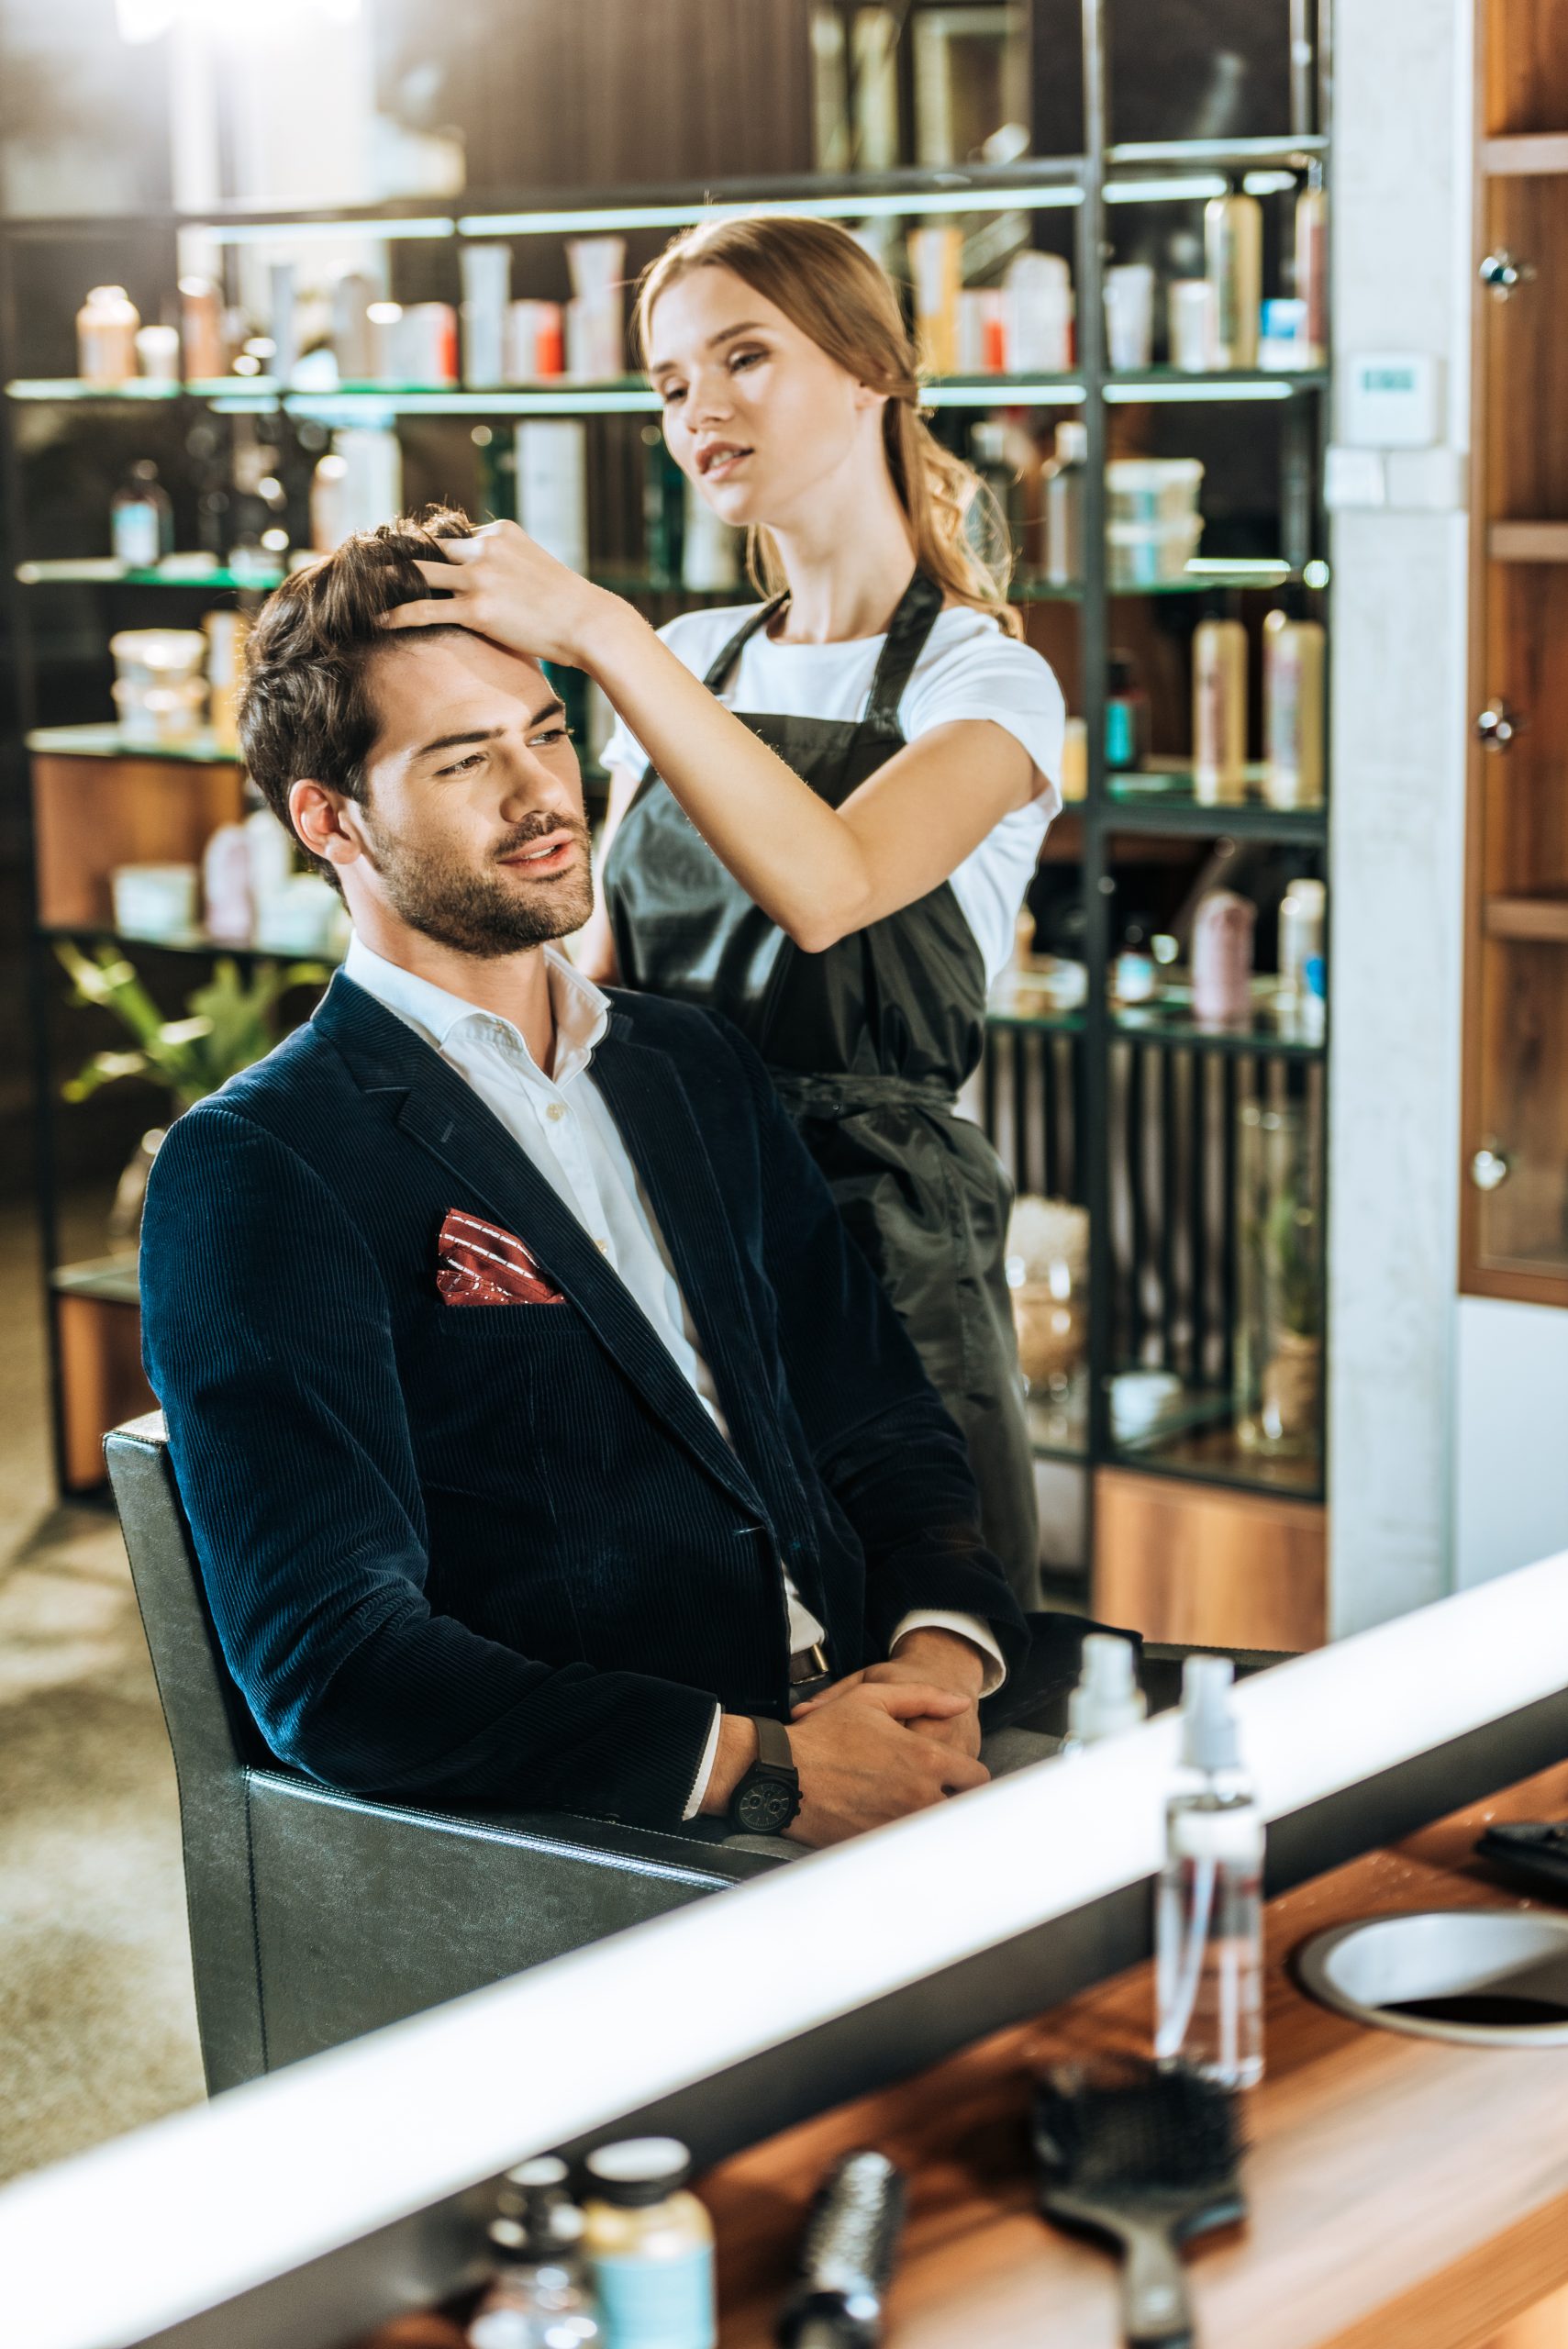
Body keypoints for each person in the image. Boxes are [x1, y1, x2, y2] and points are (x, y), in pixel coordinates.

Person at [139, 511, 1035, 1852]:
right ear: (328, 819)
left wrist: (938, 1657)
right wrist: (772, 1769)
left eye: (546, 734)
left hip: (886, 1725)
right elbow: (336, 1666)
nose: (539, 796)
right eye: (461, 760)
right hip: (631, 1833)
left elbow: (875, 1418)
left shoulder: (689, 1065)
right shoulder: (264, 1164)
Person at [381, 215, 1063, 1611]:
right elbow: (596, 967)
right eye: (671, 380)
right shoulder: (695, 660)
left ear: (871, 368)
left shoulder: (983, 685)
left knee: (931, 1625)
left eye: (743, 356)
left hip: (878, 1228)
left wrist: (604, 637)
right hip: (668, 1198)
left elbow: (828, 889)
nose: (701, 408)